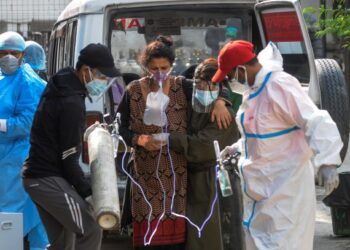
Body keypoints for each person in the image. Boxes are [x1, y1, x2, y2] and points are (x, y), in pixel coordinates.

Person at [212, 40, 342, 250]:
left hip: (286, 191)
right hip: (261, 193)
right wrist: (237, 148)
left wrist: (328, 162)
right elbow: (264, 135)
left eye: (230, 75)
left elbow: (315, 120)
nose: (230, 81)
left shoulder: (279, 85)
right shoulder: (253, 93)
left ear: (241, 69)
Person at [117, 36, 231, 249]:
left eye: (164, 67)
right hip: (145, 180)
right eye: (154, 68)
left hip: (177, 181)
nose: (159, 73)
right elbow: (121, 128)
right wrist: (139, 140)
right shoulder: (132, 91)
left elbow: (212, 82)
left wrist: (221, 101)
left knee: (176, 242)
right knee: (148, 241)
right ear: (145, 67)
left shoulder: (182, 87)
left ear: (171, 66)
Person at [22, 43, 120, 250]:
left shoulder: (63, 83)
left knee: (64, 242)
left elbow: (61, 134)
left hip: (37, 177)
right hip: (46, 177)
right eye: (102, 76)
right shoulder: (71, 102)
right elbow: (68, 160)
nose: (104, 82)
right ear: (86, 71)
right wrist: (90, 195)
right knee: (91, 226)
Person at [168, 58, 243, 250]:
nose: (203, 89)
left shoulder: (223, 115)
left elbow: (204, 147)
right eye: (199, 84)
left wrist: (168, 139)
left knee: (208, 236)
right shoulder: (194, 103)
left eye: (210, 85)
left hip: (212, 181)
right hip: (192, 181)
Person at [0, 31, 48, 250]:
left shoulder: (28, 82)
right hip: (7, 157)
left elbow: (27, 123)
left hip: (19, 157)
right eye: (3, 52)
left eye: (14, 53)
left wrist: (2, 124)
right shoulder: (5, 78)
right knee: (30, 212)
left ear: (22, 55)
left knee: (12, 214)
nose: (8, 57)